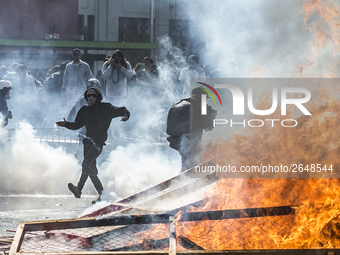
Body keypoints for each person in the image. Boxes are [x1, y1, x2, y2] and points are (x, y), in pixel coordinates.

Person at [56, 86, 130, 204]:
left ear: (98, 97)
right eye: (88, 95)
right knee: (91, 170)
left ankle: (79, 188)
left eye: (93, 95)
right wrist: (66, 124)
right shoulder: (84, 110)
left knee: (86, 164)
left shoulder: (105, 108)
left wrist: (126, 116)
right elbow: (76, 125)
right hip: (88, 143)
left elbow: (123, 110)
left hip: (98, 143)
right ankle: (102, 195)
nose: (90, 98)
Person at [166, 86, 217, 172]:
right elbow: (209, 126)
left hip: (177, 139)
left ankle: (182, 180)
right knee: (190, 164)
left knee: (187, 162)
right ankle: (185, 181)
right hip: (190, 138)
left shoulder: (183, 102)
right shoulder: (200, 105)